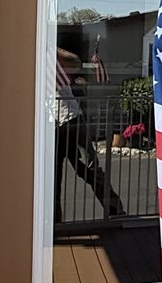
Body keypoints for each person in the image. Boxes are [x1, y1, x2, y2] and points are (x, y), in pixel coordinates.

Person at [53, 48, 124, 222]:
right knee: (52, 178)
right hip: (49, 127)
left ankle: (115, 211)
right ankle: (54, 222)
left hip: (71, 120)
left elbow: (75, 61)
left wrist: (51, 48)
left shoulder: (51, 55)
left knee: (90, 169)